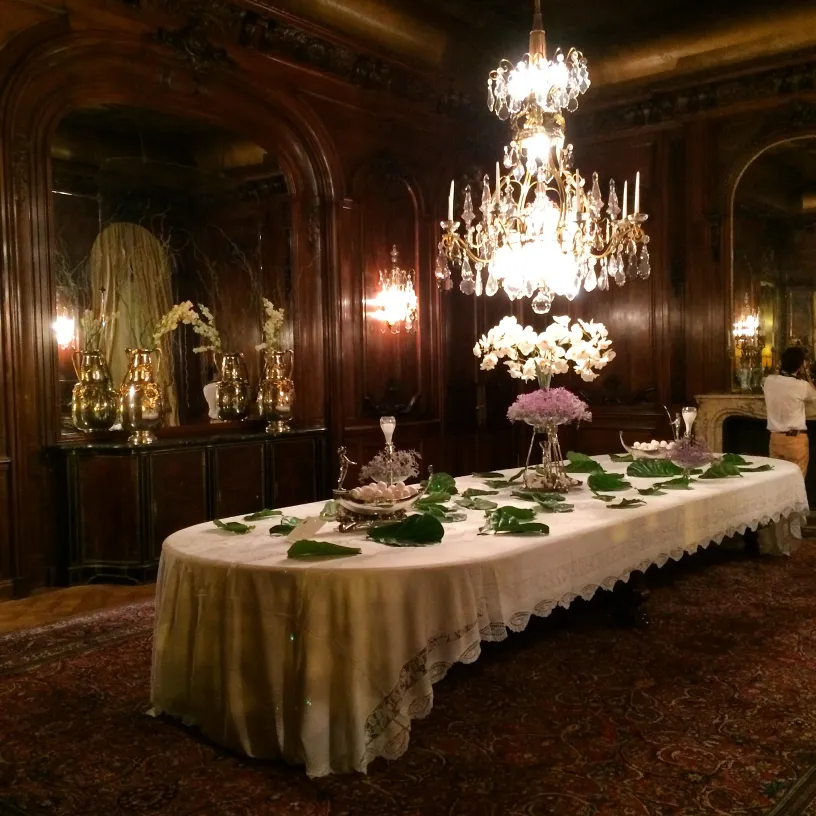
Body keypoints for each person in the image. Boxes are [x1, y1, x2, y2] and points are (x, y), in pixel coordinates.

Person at [762, 346, 816, 478]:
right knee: (796, 483)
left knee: (776, 481)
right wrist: (806, 375)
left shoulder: (768, 381)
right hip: (795, 440)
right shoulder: (802, 386)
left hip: (775, 439)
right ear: (800, 365)